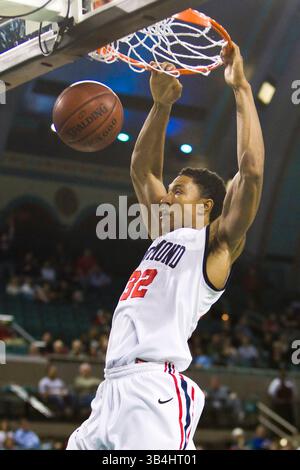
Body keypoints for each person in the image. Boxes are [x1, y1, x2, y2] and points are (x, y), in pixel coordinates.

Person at [67, 43, 264, 450]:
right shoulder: (162, 234)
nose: (167, 198)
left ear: (206, 206)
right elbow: (142, 169)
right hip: (110, 391)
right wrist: (160, 105)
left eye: (178, 191)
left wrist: (241, 88)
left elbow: (252, 172)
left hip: (153, 390)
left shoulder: (216, 244)